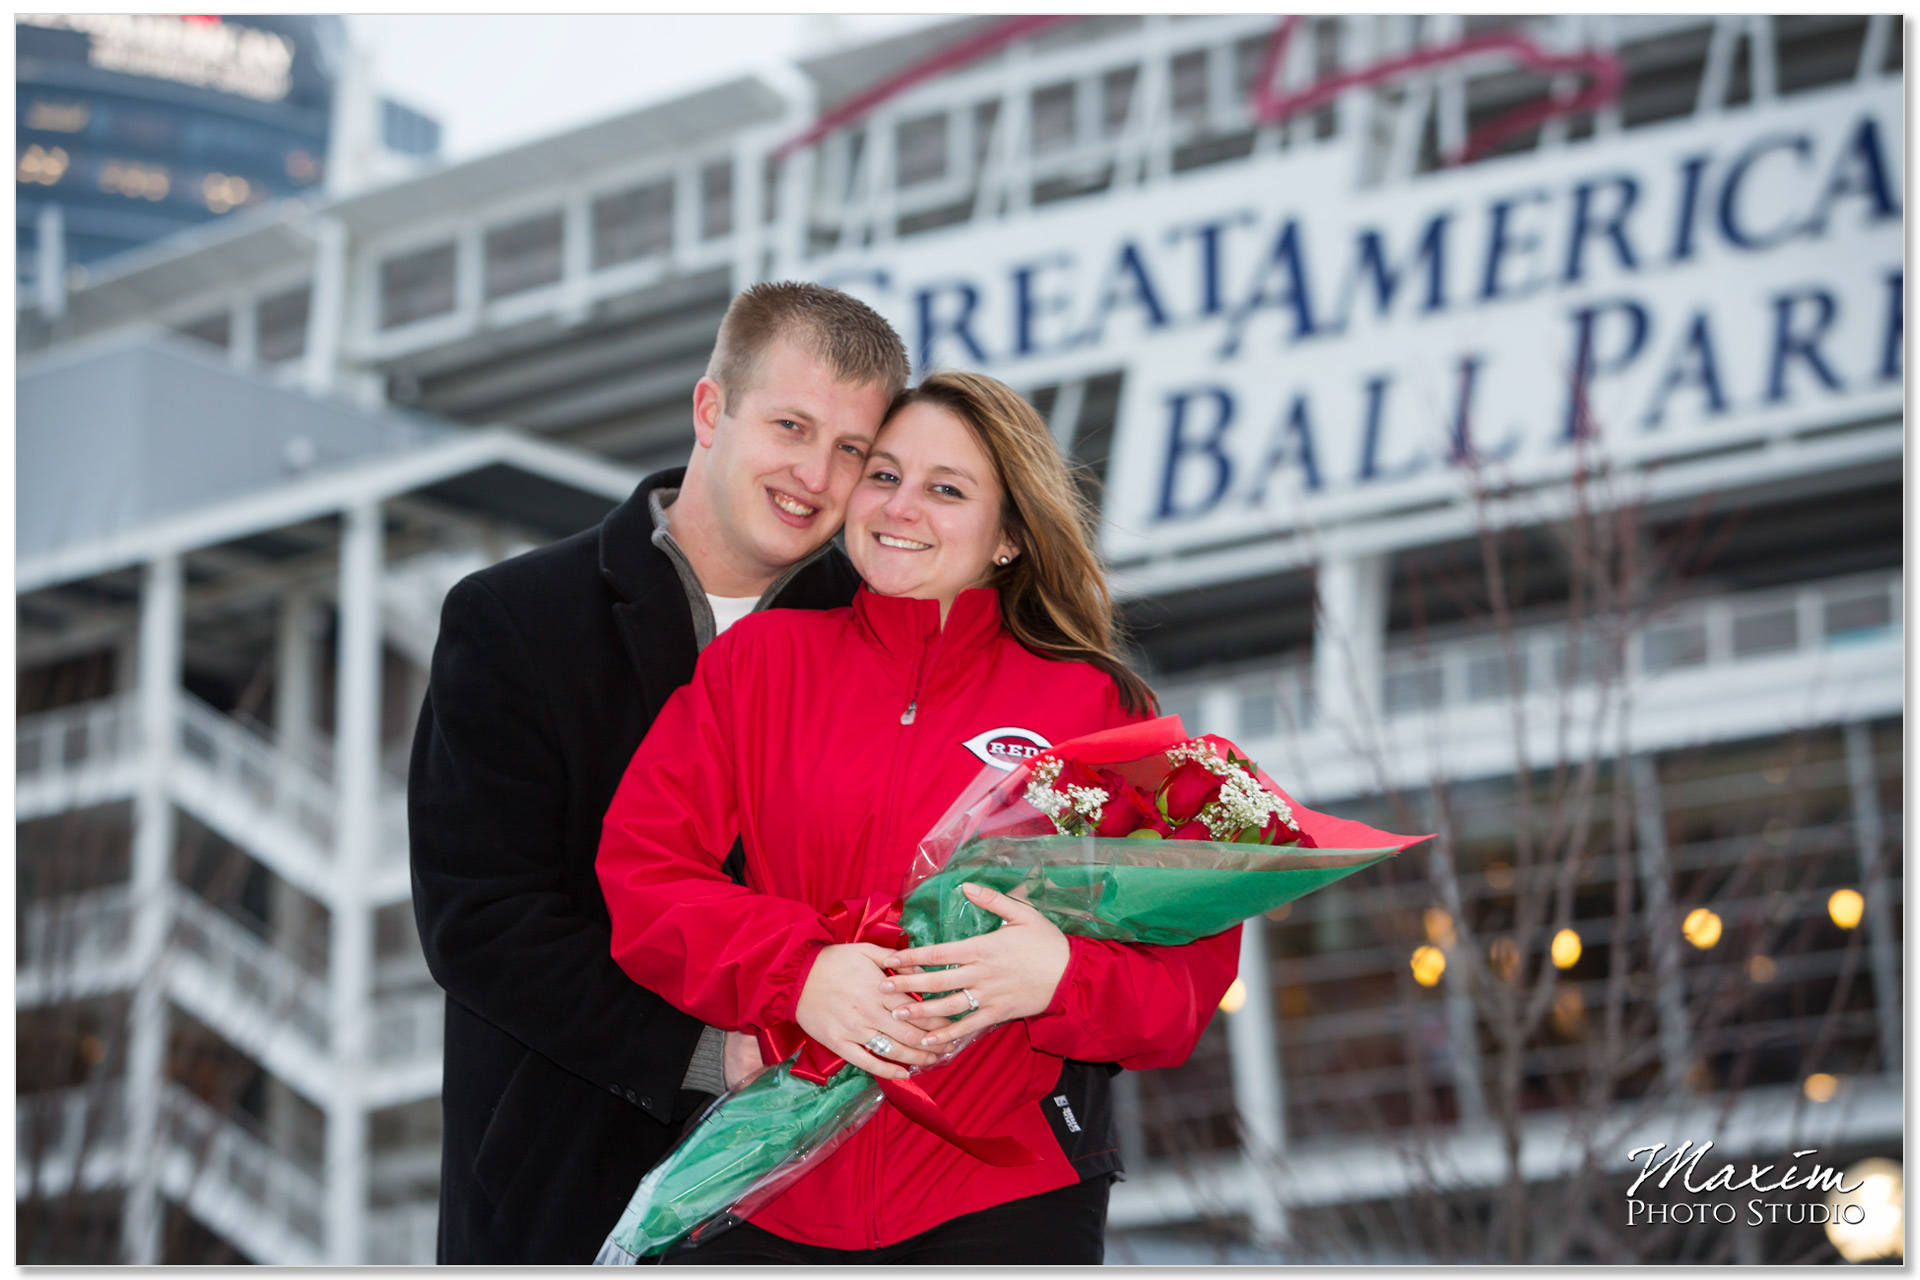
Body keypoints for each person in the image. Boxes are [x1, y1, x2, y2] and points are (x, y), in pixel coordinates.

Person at [596, 371, 1242, 1264]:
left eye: (946, 489)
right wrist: (802, 972)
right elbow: (646, 875)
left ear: (1010, 535)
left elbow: (1183, 978)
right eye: (884, 474)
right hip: (771, 1186)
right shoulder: (761, 665)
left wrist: (1058, 976)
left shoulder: (1094, 707)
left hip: (1004, 1197)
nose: (902, 507)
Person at [408, 281, 909, 1263]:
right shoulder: (514, 619)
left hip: (841, 1200)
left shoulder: (887, 630)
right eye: (792, 425)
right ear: (711, 410)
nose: (816, 471)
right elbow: (481, 919)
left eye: (851, 450)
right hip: (575, 1186)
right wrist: (707, 1053)